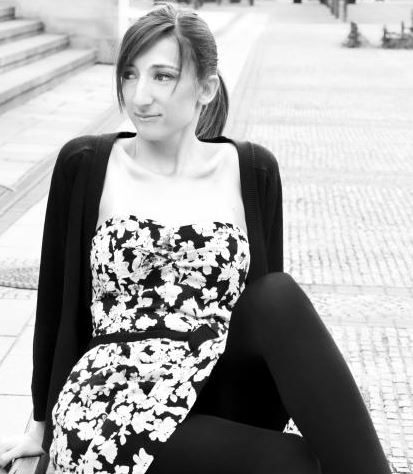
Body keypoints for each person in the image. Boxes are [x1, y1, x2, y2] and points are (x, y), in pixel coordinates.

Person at [0, 2, 392, 473]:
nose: (139, 95)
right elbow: (54, 302)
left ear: (205, 87)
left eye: (162, 76)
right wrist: (39, 427)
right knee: (304, 465)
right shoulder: (87, 164)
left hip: (218, 386)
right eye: (129, 74)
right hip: (115, 402)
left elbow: (269, 325)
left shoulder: (252, 170)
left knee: (277, 295)